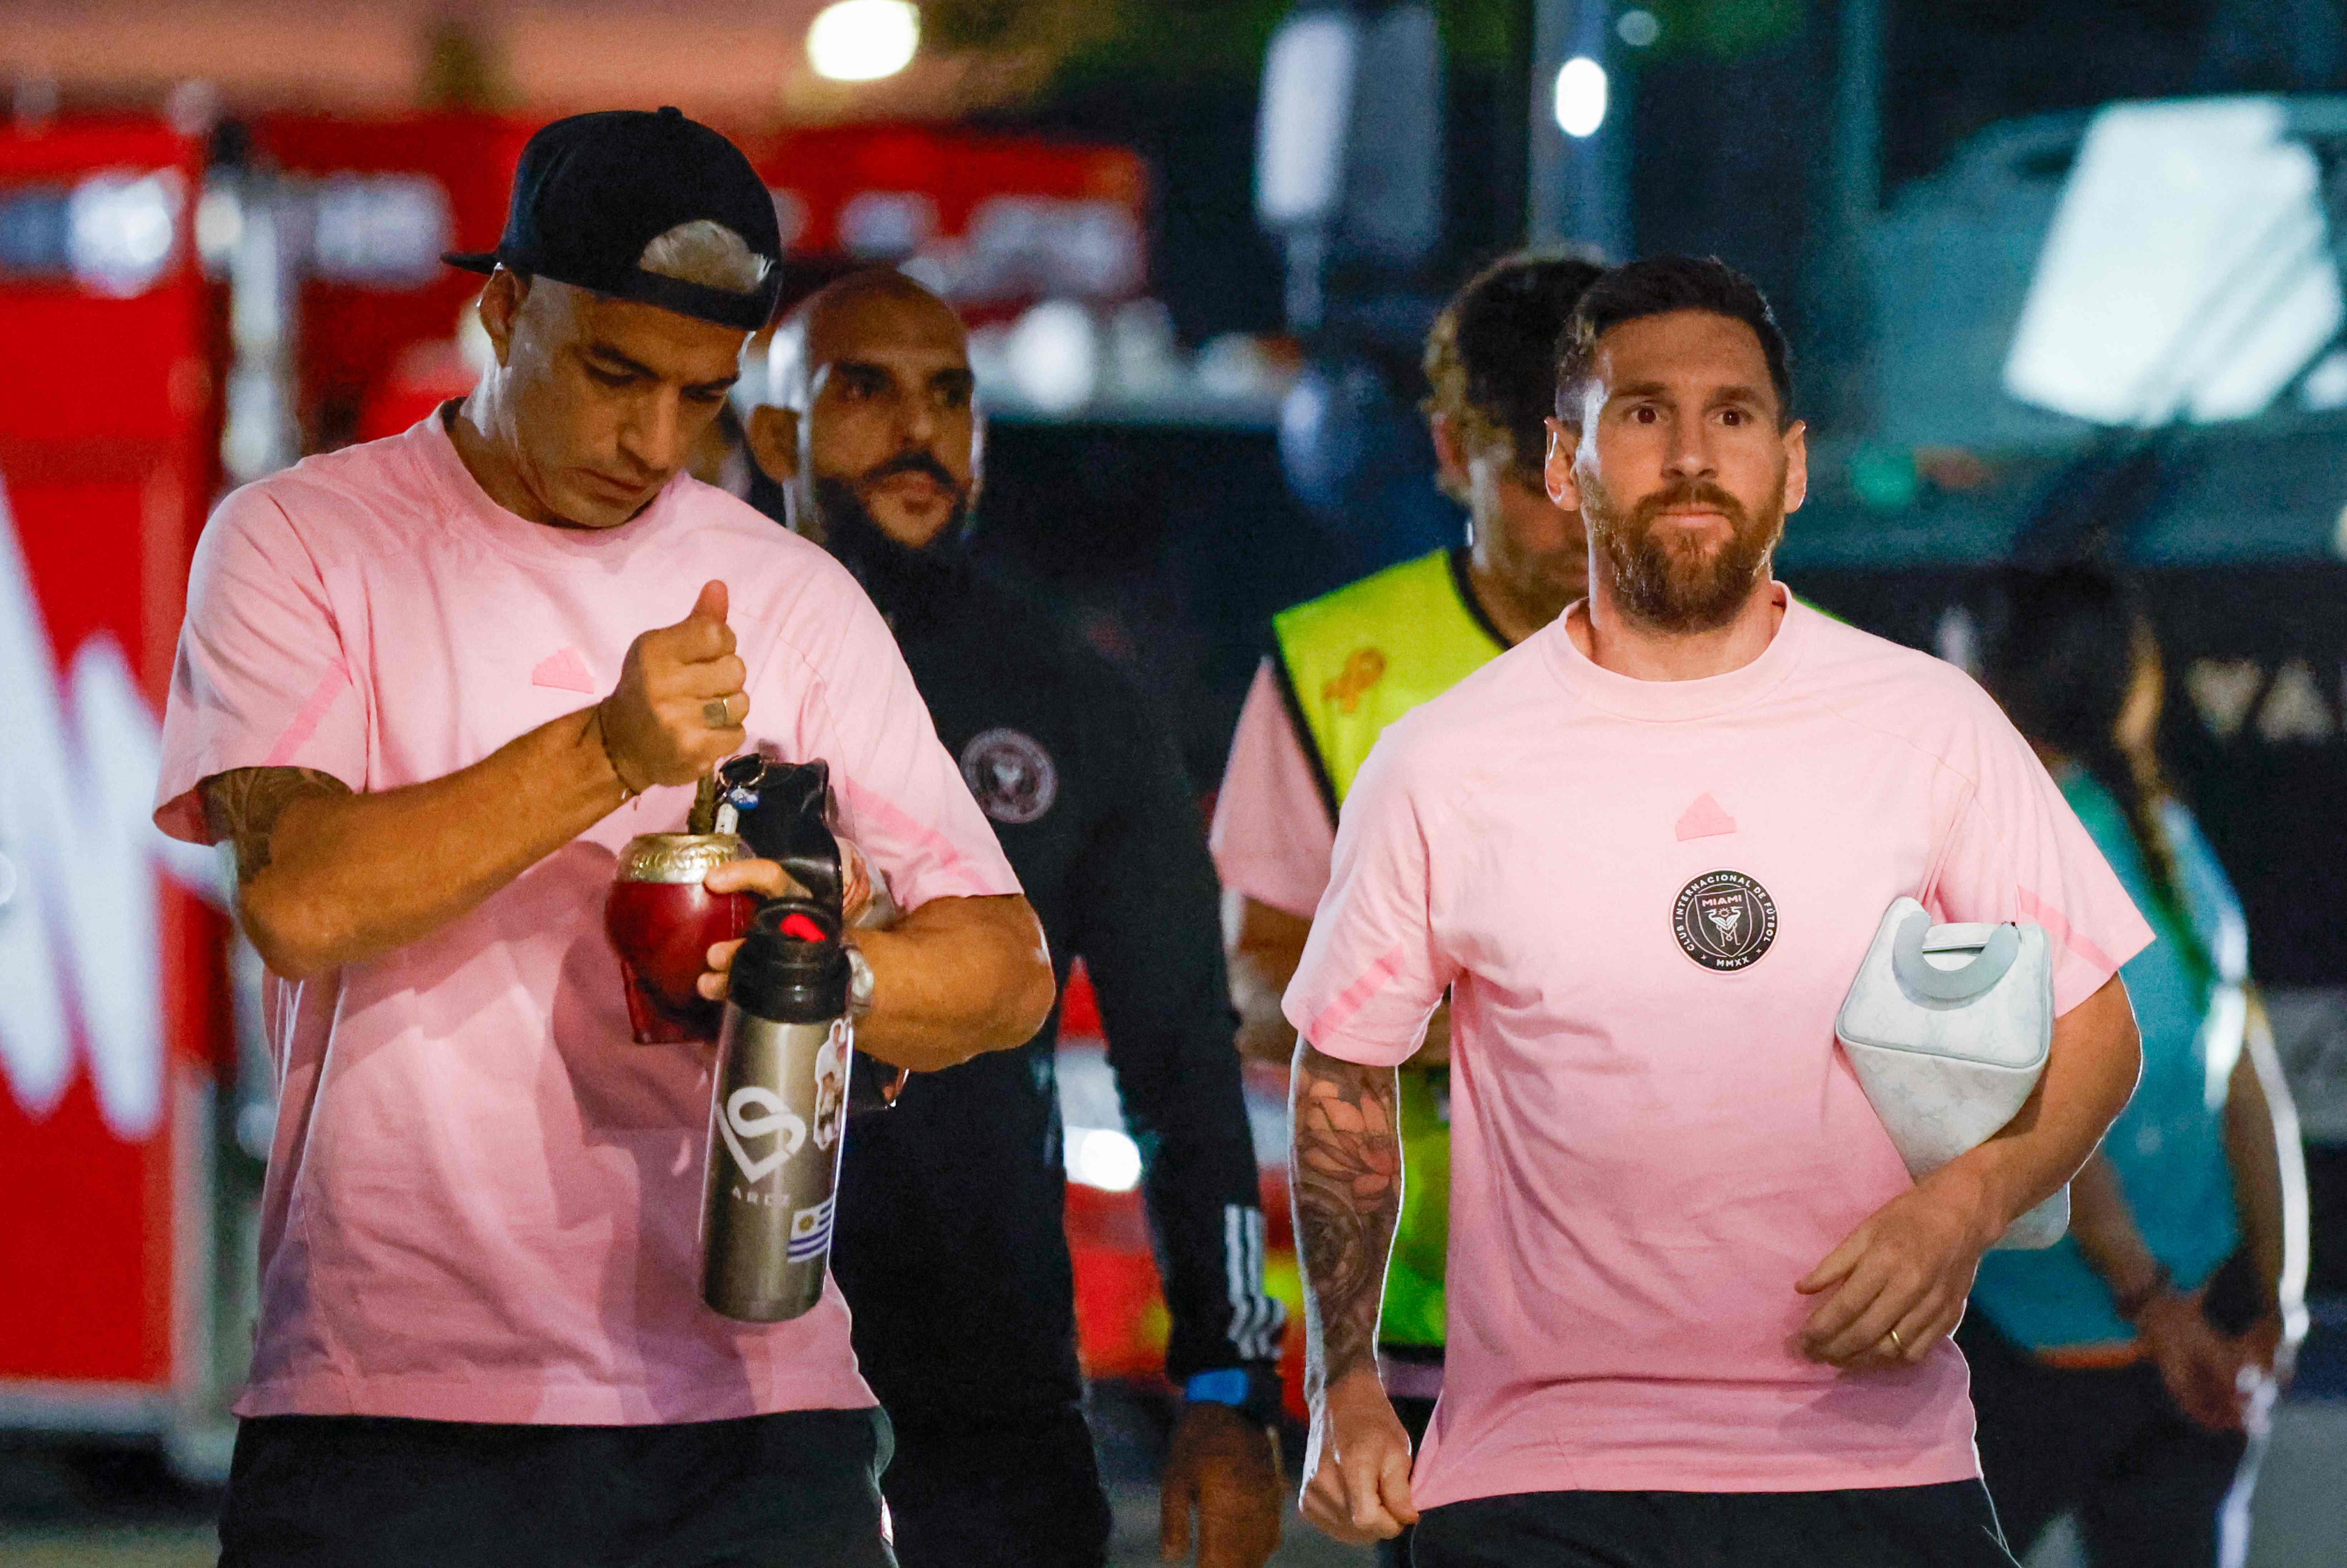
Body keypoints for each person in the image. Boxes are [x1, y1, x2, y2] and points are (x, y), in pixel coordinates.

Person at [156, 110, 1055, 1568]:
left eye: (698, 397)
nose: (649, 441)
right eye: (612, 374)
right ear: (503, 308)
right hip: (396, 1405)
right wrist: (606, 752)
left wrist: (827, 972)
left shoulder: (788, 594)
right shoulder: (304, 542)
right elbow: (302, 902)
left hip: (751, 1411)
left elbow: (1004, 967)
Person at [1280, 255, 2154, 1566]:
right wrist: (1343, 1382)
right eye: (1641, 415)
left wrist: (1966, 1204)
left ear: (1792, 465)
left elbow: (2100, 1027)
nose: (1692, 455)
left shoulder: (1926, 724)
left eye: (1732, 417)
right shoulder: (1444, 760)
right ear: (1566, 464)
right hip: (1543, 1479)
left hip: (1876, 1463)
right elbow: (1341, 1072)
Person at [741, 270, 1288, 1568]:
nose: (919, 429)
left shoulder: (1076, 708)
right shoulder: (679, 670)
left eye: (950, 396)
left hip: (984, 1383)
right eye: (863, 388)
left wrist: (1228, 1383)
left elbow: (1183, 1066)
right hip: (704, 1382)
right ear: (773, 437)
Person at [1210, 250, 1601, 1565]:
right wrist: (1424, 1018)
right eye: (1532, 463)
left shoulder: (1774, 652)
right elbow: (1255, 983)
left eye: (1601, 454)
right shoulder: (1335, 671)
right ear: (1447, 449)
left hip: (1725, 1330)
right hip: (1440, 1329)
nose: (1576, 505)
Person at [1960, 565, 2308, 1568]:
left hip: (2064, 1355)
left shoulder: (1998, 863)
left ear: (1982, 684)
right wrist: (2270, 1310)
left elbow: (2058, 1115)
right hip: (2194, 1340)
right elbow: (2256, 1098)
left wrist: (2164, 1315)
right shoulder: (2177, 849)